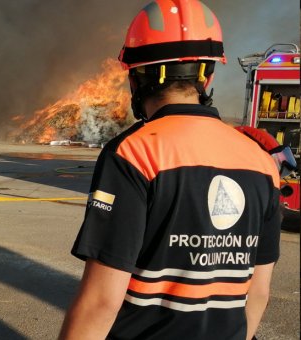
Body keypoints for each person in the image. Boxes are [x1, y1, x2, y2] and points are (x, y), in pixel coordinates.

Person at [59, 1, 282, 339]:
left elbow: (102, 301)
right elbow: (258, 293)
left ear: (135, 77)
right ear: (207, 75)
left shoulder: (133, 153)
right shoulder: (262, 160)